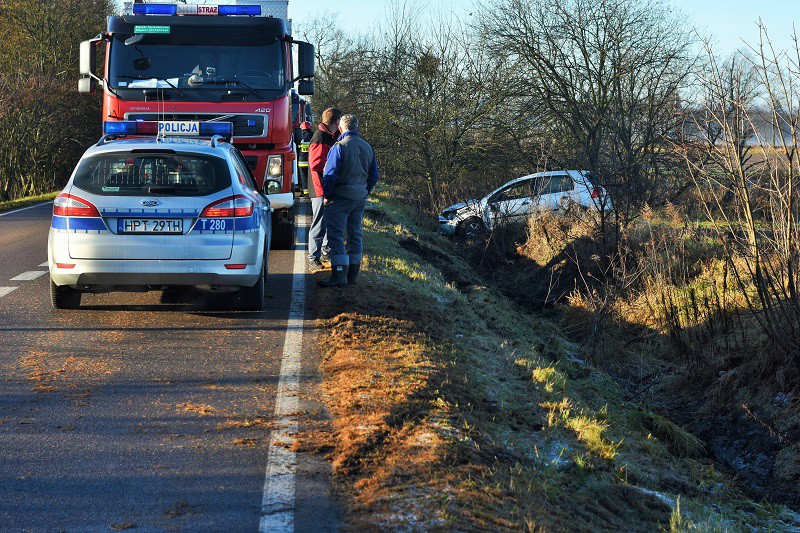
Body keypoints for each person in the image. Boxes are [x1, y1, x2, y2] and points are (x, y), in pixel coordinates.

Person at [318, 114, 379, 287]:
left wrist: (327, 196)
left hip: (341, 197)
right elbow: (374, 176)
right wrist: (364, 191)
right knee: (355, 233)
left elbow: (330, 176)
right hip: (359, 197)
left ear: (341, 128)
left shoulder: (339, 147)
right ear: (357, 127)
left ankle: (338, 275)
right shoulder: (367, 147)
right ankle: (352, 275)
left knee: (336, 234)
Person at [307, 107, 342, 272]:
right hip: (320, 187)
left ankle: (325, 253)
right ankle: (313, 258)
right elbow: (315, 164)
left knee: (327, 222)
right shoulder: (321, 138)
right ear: (336, 121)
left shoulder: (330, 136)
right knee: (319, 224)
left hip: (326, 186)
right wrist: (334, 165)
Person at [296, 121, 313, 196]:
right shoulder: (313, 135)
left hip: (301, 161)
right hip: (310, 160)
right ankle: (311, 191)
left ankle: (305, 192)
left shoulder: (300, 135)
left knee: (303, 177)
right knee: (311, 177)